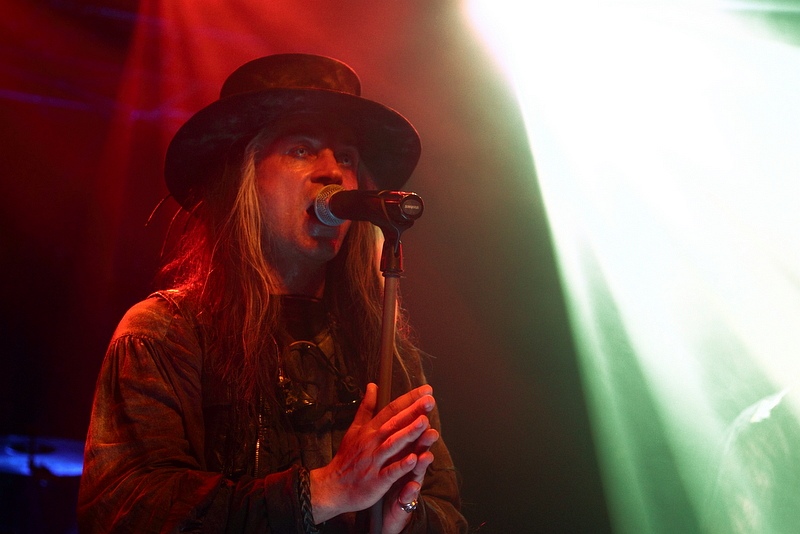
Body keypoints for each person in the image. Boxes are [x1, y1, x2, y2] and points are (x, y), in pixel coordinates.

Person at [77, 53, 467, 534]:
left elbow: (446, 512)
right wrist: (323, 491)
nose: (333, 172)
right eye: (301, 149)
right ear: (244, 180)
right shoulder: (162, 334)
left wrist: (402, 519)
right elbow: (125, 510)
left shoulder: (387, 349)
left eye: (346, 156)